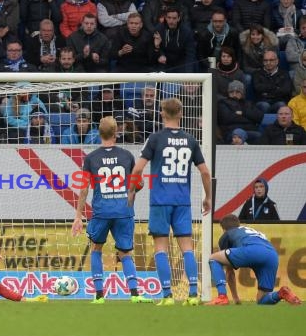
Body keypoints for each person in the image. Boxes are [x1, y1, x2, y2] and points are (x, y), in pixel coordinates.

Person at [129, 98, 212, 306]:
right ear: (182, 113)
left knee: (161, 248)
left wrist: (133, 189)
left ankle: (167, 296)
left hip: (160, 201)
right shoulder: (191, 139)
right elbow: (204, 172)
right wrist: (208, 197)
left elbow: (138, 169)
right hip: (182, 202)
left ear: (162, 114)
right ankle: (193, 294)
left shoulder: (155, 138)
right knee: (187, 248)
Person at [72, 116, 153, 304]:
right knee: (125, 253)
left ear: (99, 133)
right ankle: (135, 294)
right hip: (123, 211)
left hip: (101, 211)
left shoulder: (91, 158)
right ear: (116, 133)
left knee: (96, 249)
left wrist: (78, 216)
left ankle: (99, 295)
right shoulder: (126, 156)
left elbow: (84, 188)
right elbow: (137, 184)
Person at [206, 214, 300, 305]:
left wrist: (235, 298)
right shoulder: (249, 230)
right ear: (238, 224)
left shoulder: (227, 234)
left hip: (252, 250)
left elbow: (229, 272)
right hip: (272, 255)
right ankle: (280, 293)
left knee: (213, 258)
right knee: (262, 299)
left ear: (224, 229)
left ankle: (222, 296)